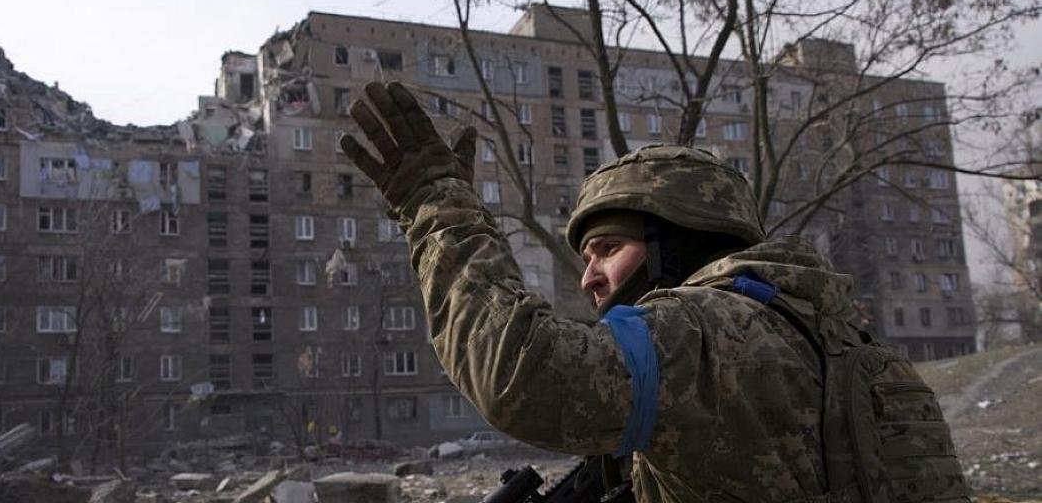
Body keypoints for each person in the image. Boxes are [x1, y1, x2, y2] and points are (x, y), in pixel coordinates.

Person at [340, 82, 969, 502]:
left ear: (682, 243)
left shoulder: (708, 333)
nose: (588, 276)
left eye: (608, 249)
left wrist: (436, 206)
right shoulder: (831, 339)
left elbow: (524, 377)